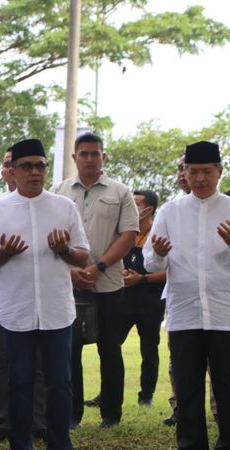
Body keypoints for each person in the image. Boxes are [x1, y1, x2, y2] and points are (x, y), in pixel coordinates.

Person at [0, 138, 90, 450]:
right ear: (13, 170)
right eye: (27, 166)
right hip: (15, 312)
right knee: (20, 383)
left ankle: (59, 441)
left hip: (57, 311)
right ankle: (21, 443)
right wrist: (3, 254)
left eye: (40, 166)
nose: (35, 172)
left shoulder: (64, 207)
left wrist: (64, 250)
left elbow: (83, 256)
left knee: (60, 383)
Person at [144, 140, 230, 450]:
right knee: (188, 390)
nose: (199, 178)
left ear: (219, 171)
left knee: (227, 387)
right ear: (185, 173)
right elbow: (150, 262)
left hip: (225, 315)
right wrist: (157, 252)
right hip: (185, 314)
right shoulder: (171, 210)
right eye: (192, 171)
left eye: (206, 171)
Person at [50, 132, 138, 429]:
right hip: (69, 283)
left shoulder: (120, 192)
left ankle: (111, 414)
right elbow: (48, 236)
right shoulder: (58, 191)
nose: (90, 159)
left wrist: (98, 267)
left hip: (108, 283)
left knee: (109, 348)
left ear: (104, 157)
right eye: (84, 154)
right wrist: (71, 271)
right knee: (69, 349)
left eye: (95, 153)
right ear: (74, 157)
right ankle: (72, 413)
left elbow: (128, 235)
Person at [0, 149, 47, 443]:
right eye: (8, 164)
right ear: (5, 171)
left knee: (37, 358)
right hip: (1, 292)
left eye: (21, 164)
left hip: (38, 293)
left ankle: (38, 420)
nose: (14, 170)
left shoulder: (49, 204)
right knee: (1, 359)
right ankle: (3, 420)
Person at [118, 190, 166, 406]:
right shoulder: (125, 233)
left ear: (149, 209)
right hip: (124, 298)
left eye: (136, 204)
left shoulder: (159, 235)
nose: (132, 208)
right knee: (110, 345)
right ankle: (108, 391)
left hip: (150, 300)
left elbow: (169, 271)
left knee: (149, 349)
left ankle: (146, 395)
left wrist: (142, 279)